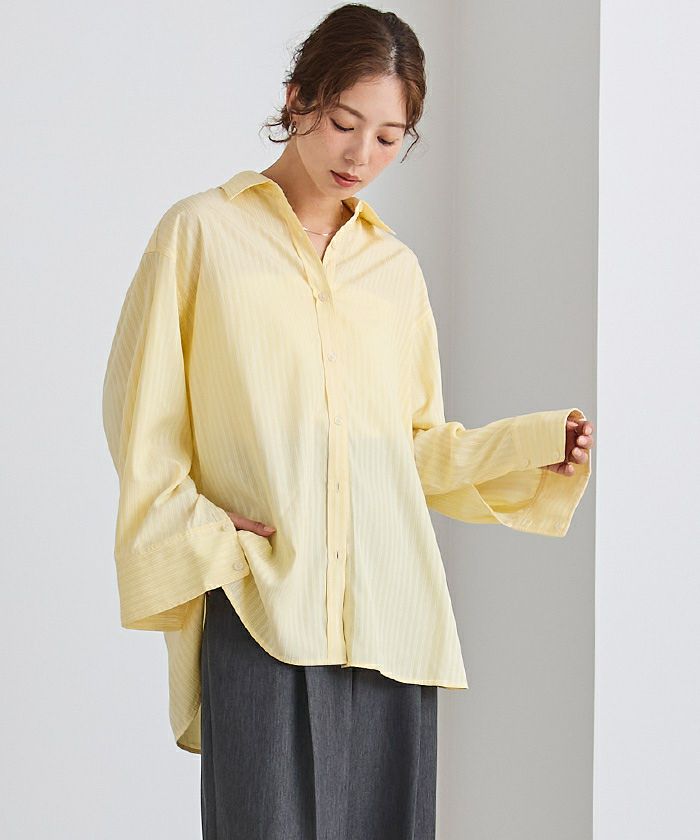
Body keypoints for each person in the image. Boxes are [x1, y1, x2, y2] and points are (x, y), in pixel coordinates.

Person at [101, 4, 594, 839]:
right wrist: (204, 529)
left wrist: (535, 448)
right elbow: (141, 419)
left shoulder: (394, 270)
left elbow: (411, 449)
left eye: (390, 137)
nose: (361, 155)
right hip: (262, 602)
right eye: (343, 123)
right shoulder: (200, 236)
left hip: (391, 616)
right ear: (297, 98)